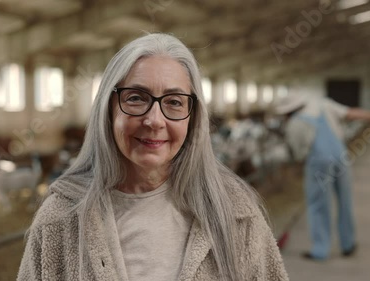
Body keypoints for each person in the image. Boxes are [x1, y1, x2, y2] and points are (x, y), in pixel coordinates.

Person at [17, 33, 289, 281]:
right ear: (108, 109)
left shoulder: (234, 212)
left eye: (174, 102)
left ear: (193, 117)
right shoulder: (62, 217)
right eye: (136, 98)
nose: (154, 120)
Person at [273, 94, 370, 261]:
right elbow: (350, 113)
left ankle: (320, 250)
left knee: (318, 204)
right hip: (341, 156)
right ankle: (348, 245)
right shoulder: (321, 104)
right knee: (345, 200)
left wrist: (301, 164)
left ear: (288, 111)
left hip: (319, 162)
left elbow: (297, 154)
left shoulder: (295, 123)